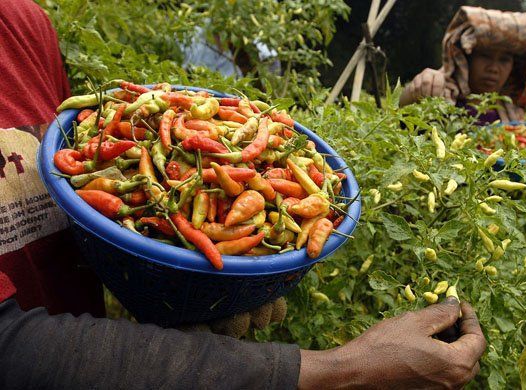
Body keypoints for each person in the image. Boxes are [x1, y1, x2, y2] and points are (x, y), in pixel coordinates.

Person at [0, 1, 486, 388]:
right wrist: (346, 369)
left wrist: (159, 300)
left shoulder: (24, 27)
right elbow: (10, 351)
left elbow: (77, 206)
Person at [399, 6, 526, 124]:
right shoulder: (441, 95)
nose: (493, 68)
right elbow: (401, 113)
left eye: (504, 60)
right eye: (485, 56)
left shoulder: (512, 114)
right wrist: (414, 92)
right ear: (465, 58)